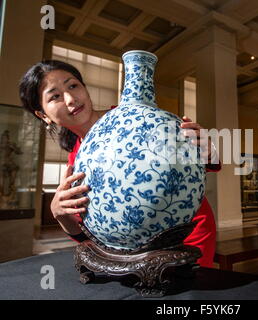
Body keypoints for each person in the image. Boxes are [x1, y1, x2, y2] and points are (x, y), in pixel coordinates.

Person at [19, 60, 221, 268]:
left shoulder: (138, 119)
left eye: (73, 86)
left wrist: (206, 148)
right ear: (43, 115)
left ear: (84, 88)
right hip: (130, 253)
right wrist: (60, 215)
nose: (71, 99)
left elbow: (196, 167)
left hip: (185, 233)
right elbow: (90, 237)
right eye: (55, 96)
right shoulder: (76, 158)